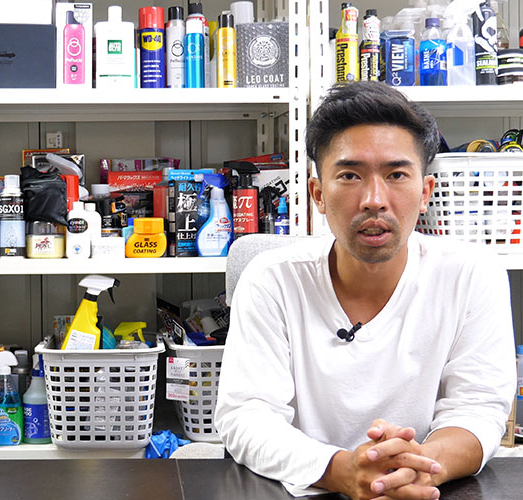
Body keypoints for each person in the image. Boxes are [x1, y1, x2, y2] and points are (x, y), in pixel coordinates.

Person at [214, 81, 516, 500]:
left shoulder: (473, 274)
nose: (375, 199)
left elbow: (478, 409)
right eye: (350, 175)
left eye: (396, 175)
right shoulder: (272, 280)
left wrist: (421, 468)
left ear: (425, 192)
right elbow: (246, 416)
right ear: (318, 194)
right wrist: (341, 470)